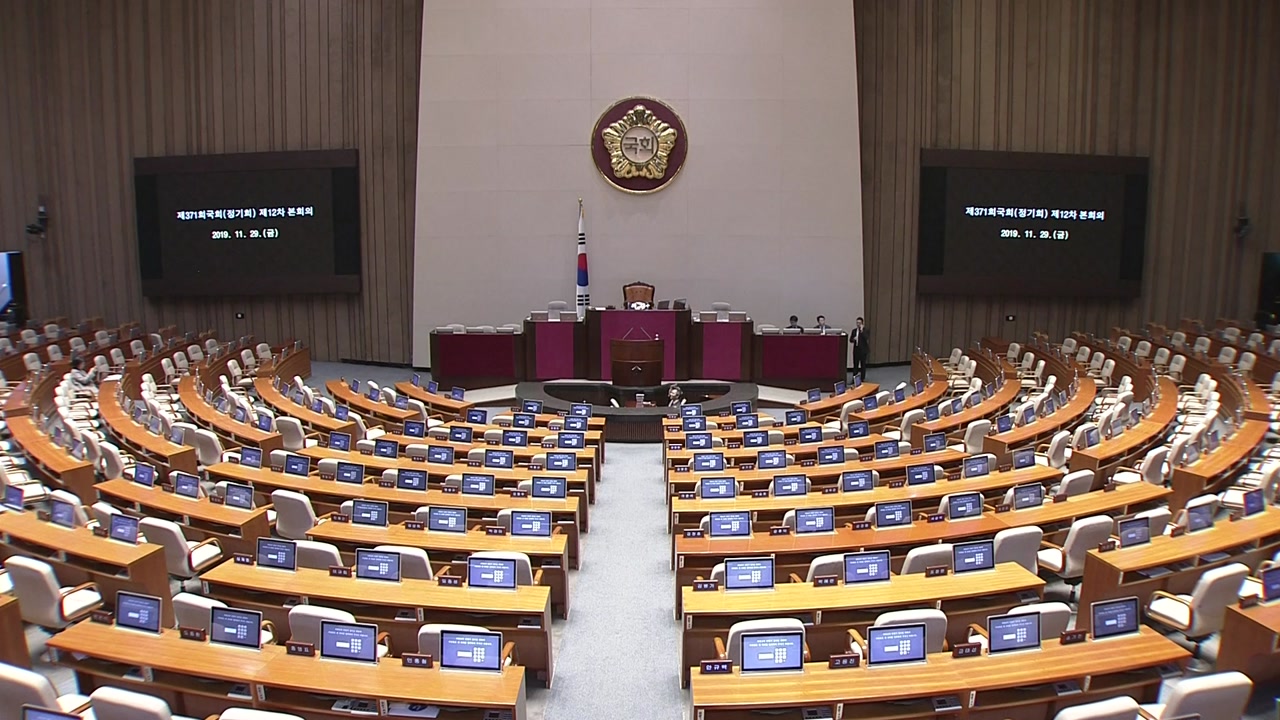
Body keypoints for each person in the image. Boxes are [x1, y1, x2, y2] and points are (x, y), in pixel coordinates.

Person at [850, 317, 870, 382]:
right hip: (856, 350)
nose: (858, 324)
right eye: (857, 323)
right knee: (855, 365)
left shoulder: (866, 330)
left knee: (863, 365)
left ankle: (862, 379)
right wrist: (853, 339)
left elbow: (866, 338)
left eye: (859, 323)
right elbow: (850, 340)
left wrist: (862, 331)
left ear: (862, 323)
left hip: (863, 351)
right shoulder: (854, 331)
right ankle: (854, 379)